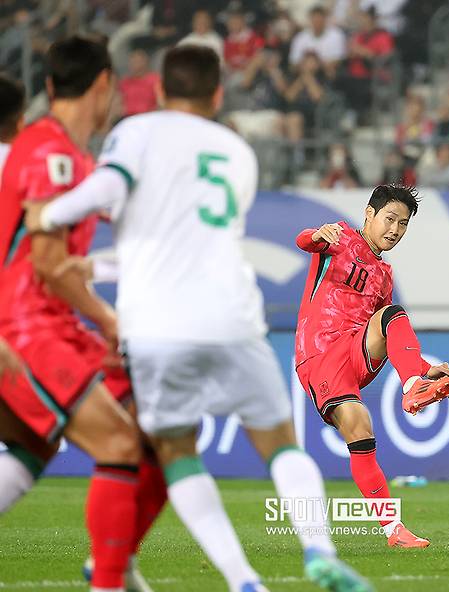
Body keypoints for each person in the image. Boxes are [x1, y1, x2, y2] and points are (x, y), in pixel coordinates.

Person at [23, 44, 372, 592]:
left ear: (159, 90)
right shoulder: (237, 152)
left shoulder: (135, 132)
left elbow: (112, 191)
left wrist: (53, 211)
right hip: (232, 317)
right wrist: (98, 263)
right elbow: (191, 240)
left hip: (156, 328)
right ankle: (318, 549)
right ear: (216, 94)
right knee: (281, 444)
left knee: (177, 454)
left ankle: (242, 580)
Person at [0, 37, 166, 592]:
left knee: (159, 432)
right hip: (26, 326)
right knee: (120, 446)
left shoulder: (74, 156)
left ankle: (111, 567)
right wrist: (108, 317)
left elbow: (54, 260)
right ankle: (109, 581)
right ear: (104, 83)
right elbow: (46, 265)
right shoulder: (54, 153)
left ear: (50, 86)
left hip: (51, 322)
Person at [293, 184, 449, 548]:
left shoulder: (385, 275)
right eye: (389, 219)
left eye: (403, 225)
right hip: (320, 355)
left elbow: (387, 330)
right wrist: (317, 233)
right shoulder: (339, 239)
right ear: (369, 213)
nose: (395, 230)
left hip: (355, 352)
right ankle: (393, 530)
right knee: (359, 429)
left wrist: (422, 367)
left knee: (392, 314)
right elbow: (304, 241)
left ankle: (413, 382)